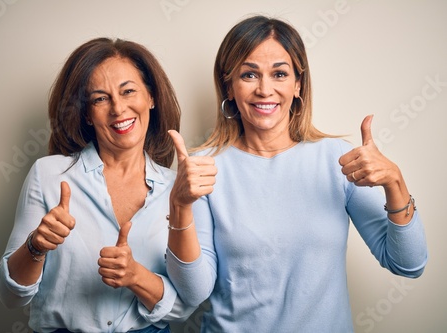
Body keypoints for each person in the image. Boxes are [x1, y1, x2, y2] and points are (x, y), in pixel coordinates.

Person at [165, 15, 428, 332]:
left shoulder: (336, 160)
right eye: (249, 74)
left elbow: (408, 264)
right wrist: (179, 206)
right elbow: (194, 291)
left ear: (298, 84)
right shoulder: (203, 168)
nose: (265, 89)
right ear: (229, 87)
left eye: (279, 74)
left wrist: (394, 182)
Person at [0, 37, 195, 333]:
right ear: (87, 113)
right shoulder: (49, 175)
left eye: (128, 91)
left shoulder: (177, 190)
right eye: (100, 98)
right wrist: (35, 246)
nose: (118, 108)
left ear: (151, 98)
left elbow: (187, 303)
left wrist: (136, 276)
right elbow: (11, 296)